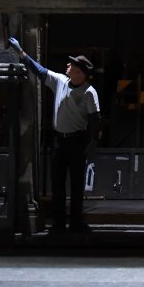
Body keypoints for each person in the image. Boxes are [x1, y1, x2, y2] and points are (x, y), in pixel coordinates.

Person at [9, 38, 101, 234]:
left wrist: (93, 141)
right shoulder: (61, 81)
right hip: (60, 141)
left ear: (79, 72)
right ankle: (59, 223)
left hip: (77, 141)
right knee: (57, 184)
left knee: (76, 185)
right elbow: (40, 70)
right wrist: (22, 53)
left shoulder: (89, 93)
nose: (67, 65)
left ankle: (76, 222)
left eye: (72, 64)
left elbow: (95, 119)